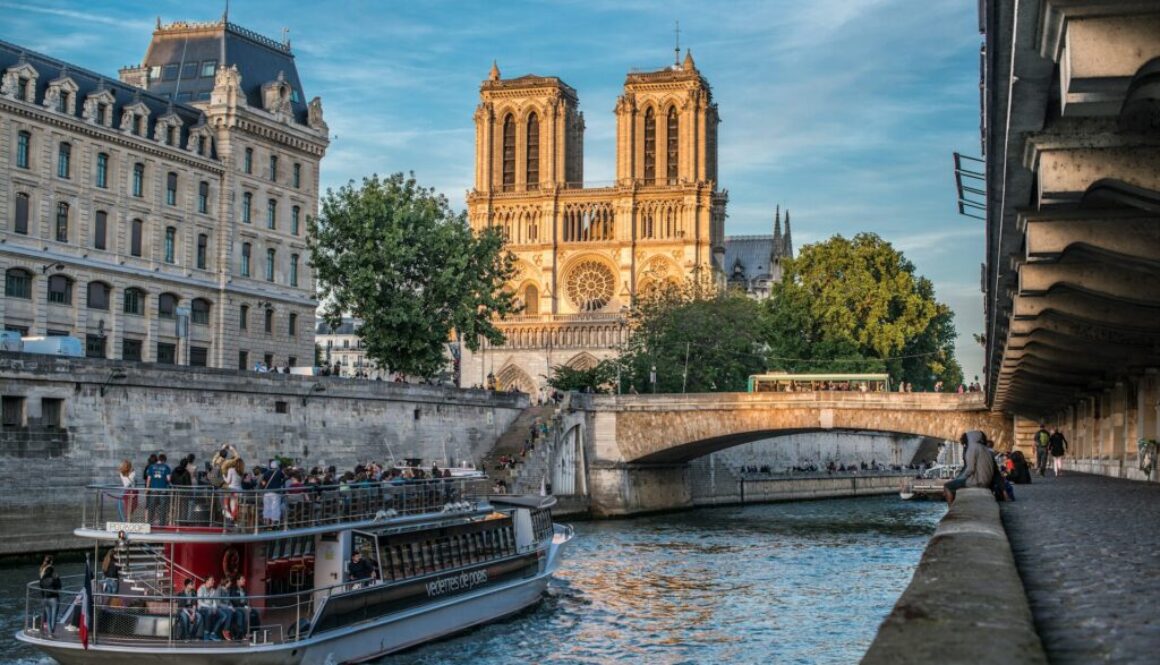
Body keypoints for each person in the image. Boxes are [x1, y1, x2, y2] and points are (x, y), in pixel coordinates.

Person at [944, 430, 996, 505]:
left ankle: (950, 508)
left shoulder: (972, 448)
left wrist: (960, 479)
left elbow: (970, 469)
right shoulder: (984, 448)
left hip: (977, 482)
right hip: (987, 481)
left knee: (947, 486)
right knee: (956, 484)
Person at [196, 575, 225, 640]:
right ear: (207, 581)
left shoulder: (213, 590)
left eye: (213, 580)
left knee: (223, 615)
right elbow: (200, 602)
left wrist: (214, 607)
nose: (213, 581)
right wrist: (210, 607)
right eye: (212, 580)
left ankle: (213, 633)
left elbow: (214, 601)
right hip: (202, 608)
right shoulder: (201, 589)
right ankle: (206, 634)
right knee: (208, 611)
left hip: (211, 608)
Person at [39, 555, 61, 635]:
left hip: (45, 598)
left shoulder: (42, 577)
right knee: (53, 617)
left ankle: (50, 633)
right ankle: (51, 633)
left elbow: (41, 587)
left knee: (48, 617)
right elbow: (59, 586)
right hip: (54, 598)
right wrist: (57, 578)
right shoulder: (54, 576)